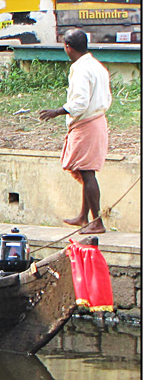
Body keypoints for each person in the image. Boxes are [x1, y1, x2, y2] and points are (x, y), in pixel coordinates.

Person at [39, 28, 112, 234]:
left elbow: (79, 103)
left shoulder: (81, 69)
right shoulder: (96, 65)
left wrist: (57, 111)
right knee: (84, 169)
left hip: (87, 123)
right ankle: (83, 217)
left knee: (87, 173)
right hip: (96, 120)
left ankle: (96, 222)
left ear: (68, 48)